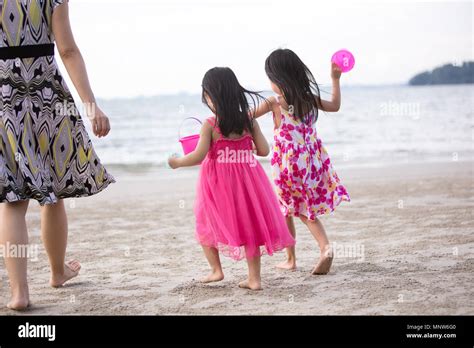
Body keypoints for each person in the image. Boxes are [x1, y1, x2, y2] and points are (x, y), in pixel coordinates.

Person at [0, 0, 115, 310]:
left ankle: (19, 293)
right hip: (46, 96)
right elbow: (67, 51)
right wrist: (91, 106)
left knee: (13, 201)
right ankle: (56, 271)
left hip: (2, 98)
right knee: (52, 190)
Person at [168, 67, 295, 290]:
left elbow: (198, 156)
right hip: (249, 181)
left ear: (210, 95)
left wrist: (177, 162)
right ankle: (254, 279)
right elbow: (264, 150)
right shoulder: (248, 121)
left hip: (218, 184)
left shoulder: (210, 125)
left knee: (206, 223)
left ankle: (216, 270)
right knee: (251, 226)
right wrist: (245, 148)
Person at [254, 49, 350, 274]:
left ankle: (322, 250)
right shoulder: (309, 98)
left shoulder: (275, 102)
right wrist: (335, 79)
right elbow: (335, 105)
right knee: (289, 209)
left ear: (278, 78)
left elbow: (246, 116)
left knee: (296, 209)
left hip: (287, 166)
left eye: (270, 78)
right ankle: (292, 259)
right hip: (312, 162)